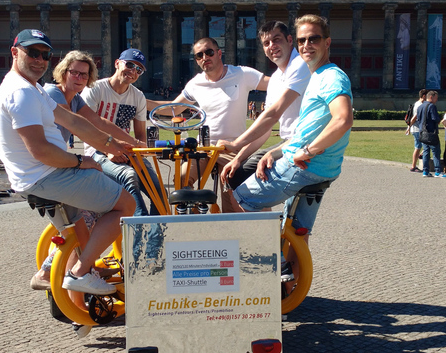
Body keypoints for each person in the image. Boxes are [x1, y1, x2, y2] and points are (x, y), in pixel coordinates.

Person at [0, 29, 135, 295]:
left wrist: (111, 145)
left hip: (40, 175)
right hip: (48, 174)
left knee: (81, 233)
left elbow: (73, 121)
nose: (39, 59)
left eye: (44, 54)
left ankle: (76, 299)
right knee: (126, 204)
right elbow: (41, 150)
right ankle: (79, 274)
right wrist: (81, 161)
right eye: (32, 53)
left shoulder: (33, 88)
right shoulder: (21, 92)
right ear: (15, 52)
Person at [233, 14, 353, 235]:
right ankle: (288, 268)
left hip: (306, 166)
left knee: (240, 198)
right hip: (321, 167)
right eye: (302, 40)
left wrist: (306, 151)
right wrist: (277, 152)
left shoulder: (331, 77)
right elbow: (308, 128)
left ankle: (271, 261)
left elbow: (343, 119)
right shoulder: (316, 75)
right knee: (296, 231)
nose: (306, 45)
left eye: (313, 39)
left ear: (327, 42)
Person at [147, 37, 269, 212]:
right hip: (204, 147)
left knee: (231, 199)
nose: (205, 57)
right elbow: (174, 108)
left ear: (219, 53)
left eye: (209, 52)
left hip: (233, 148)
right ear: (196, 60)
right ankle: (198, 214)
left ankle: (229, 226)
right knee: (181, 179)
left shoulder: (242, 74)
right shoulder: (196, 83)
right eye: (199, 55)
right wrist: (143, 102)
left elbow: (276, 84)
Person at [218, 20, 311, 201]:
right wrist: (238, 158)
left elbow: (274, 113)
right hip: (289, 142)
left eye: (276, 40)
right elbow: (266, 129)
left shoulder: (300, 64)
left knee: (247, 186)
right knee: (237, 172)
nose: (272, 46)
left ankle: (262, 224)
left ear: (290, 40)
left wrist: (236, 143)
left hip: (304, 142)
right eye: (266, 43)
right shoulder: (275, 78)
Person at [80, 49, 164, 217]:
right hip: (98, 151)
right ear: (117, 63)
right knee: (129, 176)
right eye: (130, 64)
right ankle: (140, 228)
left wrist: (138, 156)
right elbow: (85, 128)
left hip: (127, 152)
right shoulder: (95, 89)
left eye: (139, 69)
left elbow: (140, 133)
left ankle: (155, 238)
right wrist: (109, 150)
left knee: (159, 190)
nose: (133, 71)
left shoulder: (137, 96)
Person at [409, 90, 444, 177]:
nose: (437, 100)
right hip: (431, 132)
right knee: (436, 152)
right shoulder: (432, 106)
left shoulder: (420, 106)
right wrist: (439, 120)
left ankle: (425, 171)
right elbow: (435, 118)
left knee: (426, 152)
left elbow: (418, 118)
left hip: (422, 132)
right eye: (436, 98)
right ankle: (438, 171)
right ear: (431, 97)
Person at [405, 89, 427, 172]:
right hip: (417, 129)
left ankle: (419, 157)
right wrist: (409, 127)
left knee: (421, 146)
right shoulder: (419, 105)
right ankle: (413, 166)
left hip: (416, 128)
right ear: (424, 96)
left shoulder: (417, 103)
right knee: (418, 147)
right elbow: (414, 118)